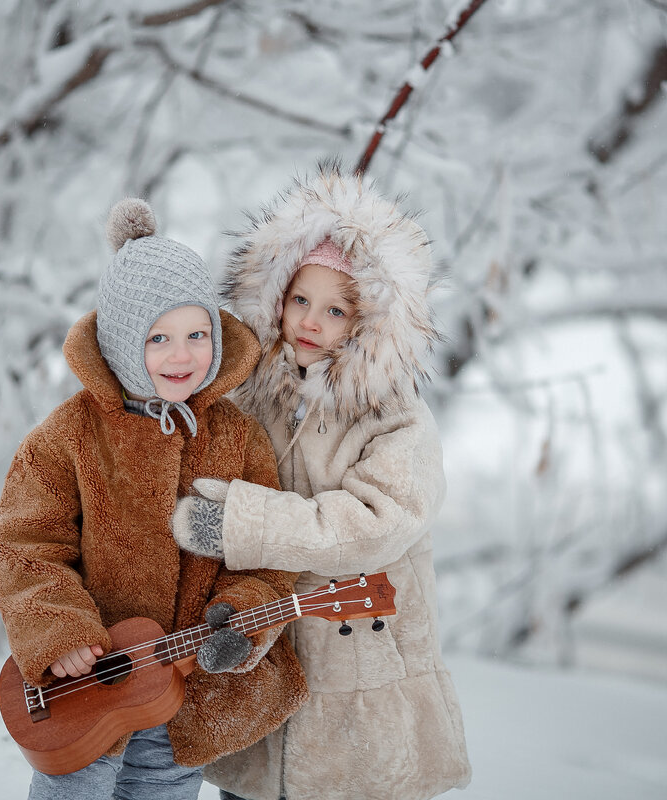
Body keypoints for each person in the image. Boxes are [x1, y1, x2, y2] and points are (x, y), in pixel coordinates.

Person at [171, 164, 471, 800]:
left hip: (361, 673)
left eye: (336, 310)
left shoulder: (397, 418)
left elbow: (372, 524)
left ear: (368, 324)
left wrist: (239, 524)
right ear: (274, 295)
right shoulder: (252, 398)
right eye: (300, 298)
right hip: (259, 668)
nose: (310, 320)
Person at [0, 198, 308, 800]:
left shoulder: (237, 440)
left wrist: (240, 615)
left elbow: (266, 547)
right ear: (117, 343)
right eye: (157, 338)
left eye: (196, 333)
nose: (182, 355)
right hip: (83, 697)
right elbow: (26, 544)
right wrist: (58, 633)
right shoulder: (68, 437)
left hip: (180, 699)